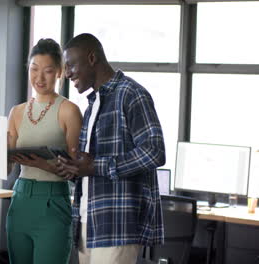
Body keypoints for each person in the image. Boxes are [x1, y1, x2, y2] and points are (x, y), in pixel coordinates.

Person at [56, 33, 166, 264]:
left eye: (71, 65)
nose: (67, 73)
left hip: (117, 224)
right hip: (87, 221)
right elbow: (90, 168)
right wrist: (75, 170)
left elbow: (154, 151)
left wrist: (96, 166)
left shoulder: (131, 94)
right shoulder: (92, 104)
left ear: (92, 58)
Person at [6, 38, 83, 264]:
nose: (39, 78)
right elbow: (7, 165)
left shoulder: (69, 111)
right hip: (20, 199)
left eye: (48, 71)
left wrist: (43, 164)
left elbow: (77, 171)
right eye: (34, 69)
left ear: (59, 72)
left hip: (53, 202)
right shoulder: (16, 112)